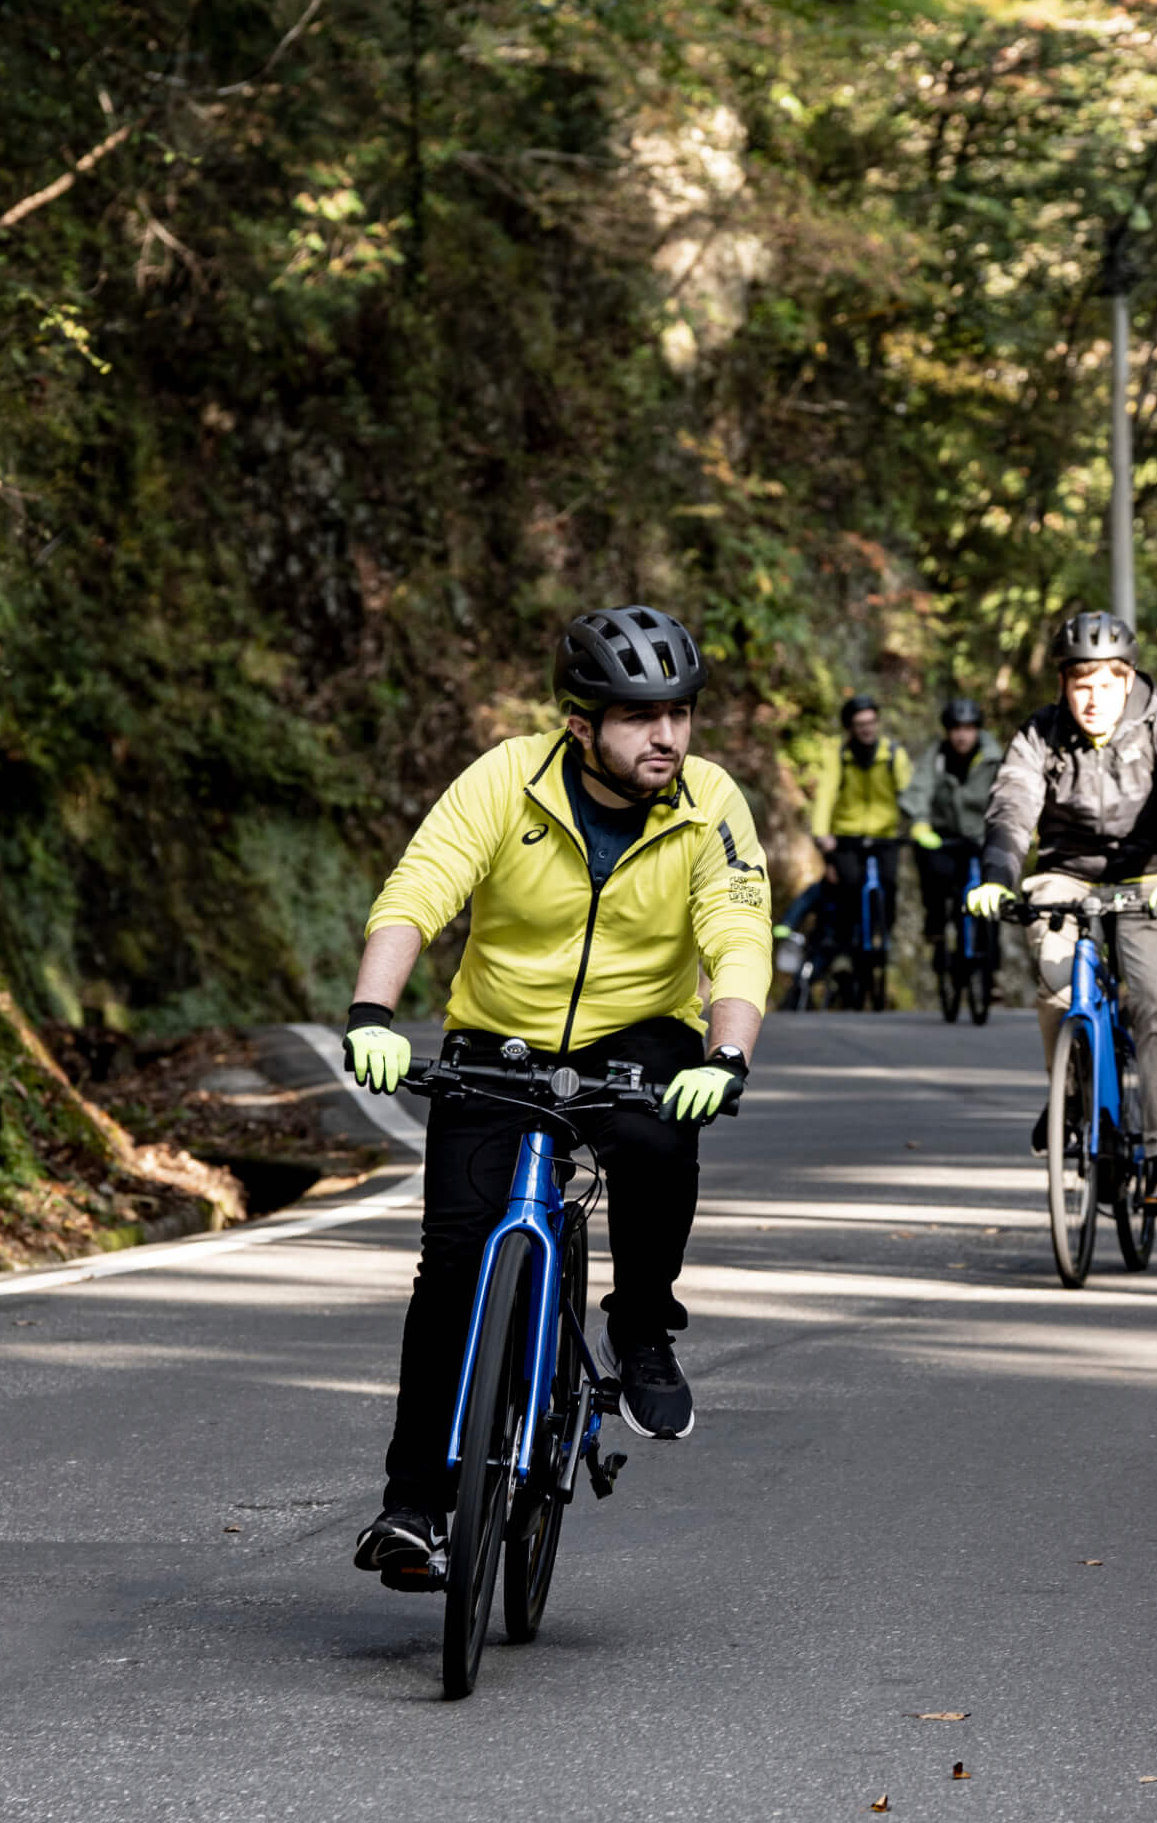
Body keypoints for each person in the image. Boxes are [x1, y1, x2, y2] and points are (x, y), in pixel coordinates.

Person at [339, 606, 772, 1586]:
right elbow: (419, 891)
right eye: (638, 717)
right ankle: (413, 1506)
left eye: (680, 714)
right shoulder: (506, 780)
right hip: (498, 1041)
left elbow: (737, 933)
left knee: (662, 1142)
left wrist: (726, 1054)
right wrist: (372, 1012)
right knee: (451, 1269)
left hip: (640, 1036)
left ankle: (644, 1322)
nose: (666, 737)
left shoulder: (709, 804)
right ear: (580, 725)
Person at [966, 612, 1157, 1207]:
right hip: (1065, 875)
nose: (1093, 698)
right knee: (1058, 987)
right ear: (1063, 685)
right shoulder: (1040, 734)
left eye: (1106, 683)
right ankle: (1071, 1098)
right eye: (1081, 684)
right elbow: (1012, 806)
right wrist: (997, 878)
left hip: (1151, 876)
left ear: (1128, 681)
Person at [805, 694, 912, 978]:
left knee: (889, 884)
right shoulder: (839, 757)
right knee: (849, 887)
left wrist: (919, 824)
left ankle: (883, 937)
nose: (867, 729)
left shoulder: (893, 754)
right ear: (849, 728)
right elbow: (826, 796)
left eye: (871, 722)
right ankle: (847, 945)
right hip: (847, 836)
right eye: (860, 724)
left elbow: (909, 794)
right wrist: (821, 833)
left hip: (885, 835)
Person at [899, 697, 1000, 961]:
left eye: (968, 728)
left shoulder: (994, 759)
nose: (962, 735)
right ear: (948, 731)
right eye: (956, 729)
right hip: (945, 836)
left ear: (977, 729)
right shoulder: (936, 756)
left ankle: (991, 968)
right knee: (931, 865)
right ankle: (935, 922)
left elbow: (1008, 795)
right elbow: (920, 788)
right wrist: (920, 821)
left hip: (983, 836)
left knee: (995, 896)